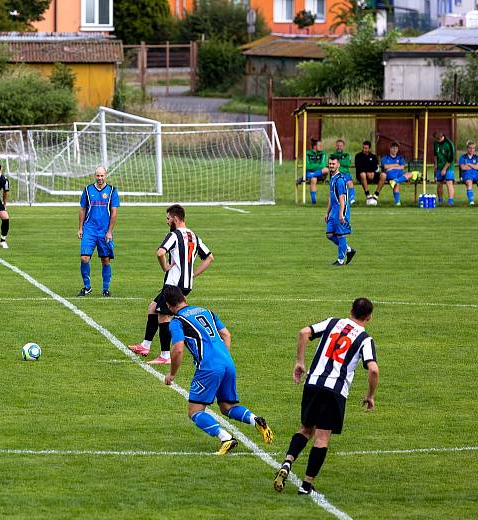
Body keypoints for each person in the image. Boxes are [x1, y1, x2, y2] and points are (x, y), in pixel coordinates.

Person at [273, 297, 379, 495]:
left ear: (351, 310)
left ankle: (287, 462)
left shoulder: (332, 323)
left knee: (305, 429)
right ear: (369, 318)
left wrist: (300, 362)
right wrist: (370, 395)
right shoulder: (365, 339)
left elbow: (304, 332)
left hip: (313, 383)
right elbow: (373, 370)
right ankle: (306, 485)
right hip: (335, 391)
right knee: (321, 438)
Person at [162, 286, 273, 455]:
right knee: (227, 407)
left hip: (209, 367)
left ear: (169, 306)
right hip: (228, 363)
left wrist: (172, 374)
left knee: (195, 411)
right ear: (184, 298)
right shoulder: (207, 312)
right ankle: (255, 420)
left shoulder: (177, 321)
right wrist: (222, 359)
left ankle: (226, 438)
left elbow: (177, 350)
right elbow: (226, 335)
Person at [128, 204, 214, 365]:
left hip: (173, 284)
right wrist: (193, 274)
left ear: (175, 219)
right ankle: (145, 345)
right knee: (153, 307)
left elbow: (160, 252)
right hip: (185, 283)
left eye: (168, 219)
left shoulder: (174, 235)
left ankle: (165, 355)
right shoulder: (194, 236)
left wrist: (165, 267)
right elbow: (209, 257)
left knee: (163, 315)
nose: (167, 222)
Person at [77, 166, 120, 297]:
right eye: (98, 176)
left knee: (105, 259)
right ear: (94, 176)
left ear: (106, 175)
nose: (100, 178)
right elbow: (83, 209)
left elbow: (114, 212)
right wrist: (80, 228)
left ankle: (105, 289)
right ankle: (87, 286)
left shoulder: (112, 191)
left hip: (104, 231)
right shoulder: (88, 190)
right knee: (84, 258)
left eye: (102, 176)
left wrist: (109, 232)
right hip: (89, 229)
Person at [325, 156, 356, 267]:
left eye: (333, 164)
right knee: (329, 234)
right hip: (333, 211)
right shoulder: (332, 178)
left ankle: (341, 260)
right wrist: (327, 212)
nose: (331, 166)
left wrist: (341, 214)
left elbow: (342, 199)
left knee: (340, 236)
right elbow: (331, 197)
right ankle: (348, 249)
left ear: (338, 165)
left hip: (340, 211)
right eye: (330, 164)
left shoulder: (340, 180)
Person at [379, 142, 418, 206]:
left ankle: (395, 181)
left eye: (396, 148)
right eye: (393, 148)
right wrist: (396, 165)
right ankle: (397, 202)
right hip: (390, 174)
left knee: (411, 174)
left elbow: (402, 167)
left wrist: (391, 167)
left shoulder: (400, 157)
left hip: (398, 172)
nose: (395, 150)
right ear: (390, 149)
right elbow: (385, 167)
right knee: (396, 183)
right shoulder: (385, 157)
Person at [298, 138, 328, 205]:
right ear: (314, 146)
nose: (321, 147)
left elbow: (323, 166)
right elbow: (307, 166)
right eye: (319, 145)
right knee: (313, 179)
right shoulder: (307, 153)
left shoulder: (323, 153)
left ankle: (306, 176)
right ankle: (314, 201)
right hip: (314, 173)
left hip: (320, 175)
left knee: (326, 169)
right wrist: (317, 166)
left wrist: (313, 168)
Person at [329, 139, 355, 205]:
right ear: (336, 146)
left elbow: (347, 164)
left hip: (345, 174)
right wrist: (341, 164)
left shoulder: (346, 155)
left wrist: (338, 163)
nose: (339, 147)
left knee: (350, 183)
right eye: (338, 145)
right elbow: (332, 164)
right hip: (336, 174)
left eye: (341, 146)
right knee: (338, 186)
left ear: (343, 147)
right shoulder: (332, 155)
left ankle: (351, 199)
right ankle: (337, 201)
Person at [433, 131, 456, 206]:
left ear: (441, 137)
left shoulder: (449, 144)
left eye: (437, 140)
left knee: (449, 182)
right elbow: (435, 154)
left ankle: (450, 201)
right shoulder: (435, 143)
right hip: (439, 166)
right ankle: (440, 200)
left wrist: (444, 169)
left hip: (449, 167)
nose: (436, 141)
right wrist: (436, 165)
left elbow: (451, 159)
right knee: (439, 183)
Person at [458, 140, 478, 206]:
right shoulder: (463, 157)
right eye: (470, 148)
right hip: (467, 174)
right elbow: (463, 168)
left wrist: (469, 164)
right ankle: (471, 201)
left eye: (473, 148)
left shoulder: (476, 157)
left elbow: (477, 167)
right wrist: (473, 166)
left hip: (476, 174)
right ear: (467, 148)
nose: (472, 150)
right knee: (469, 183)